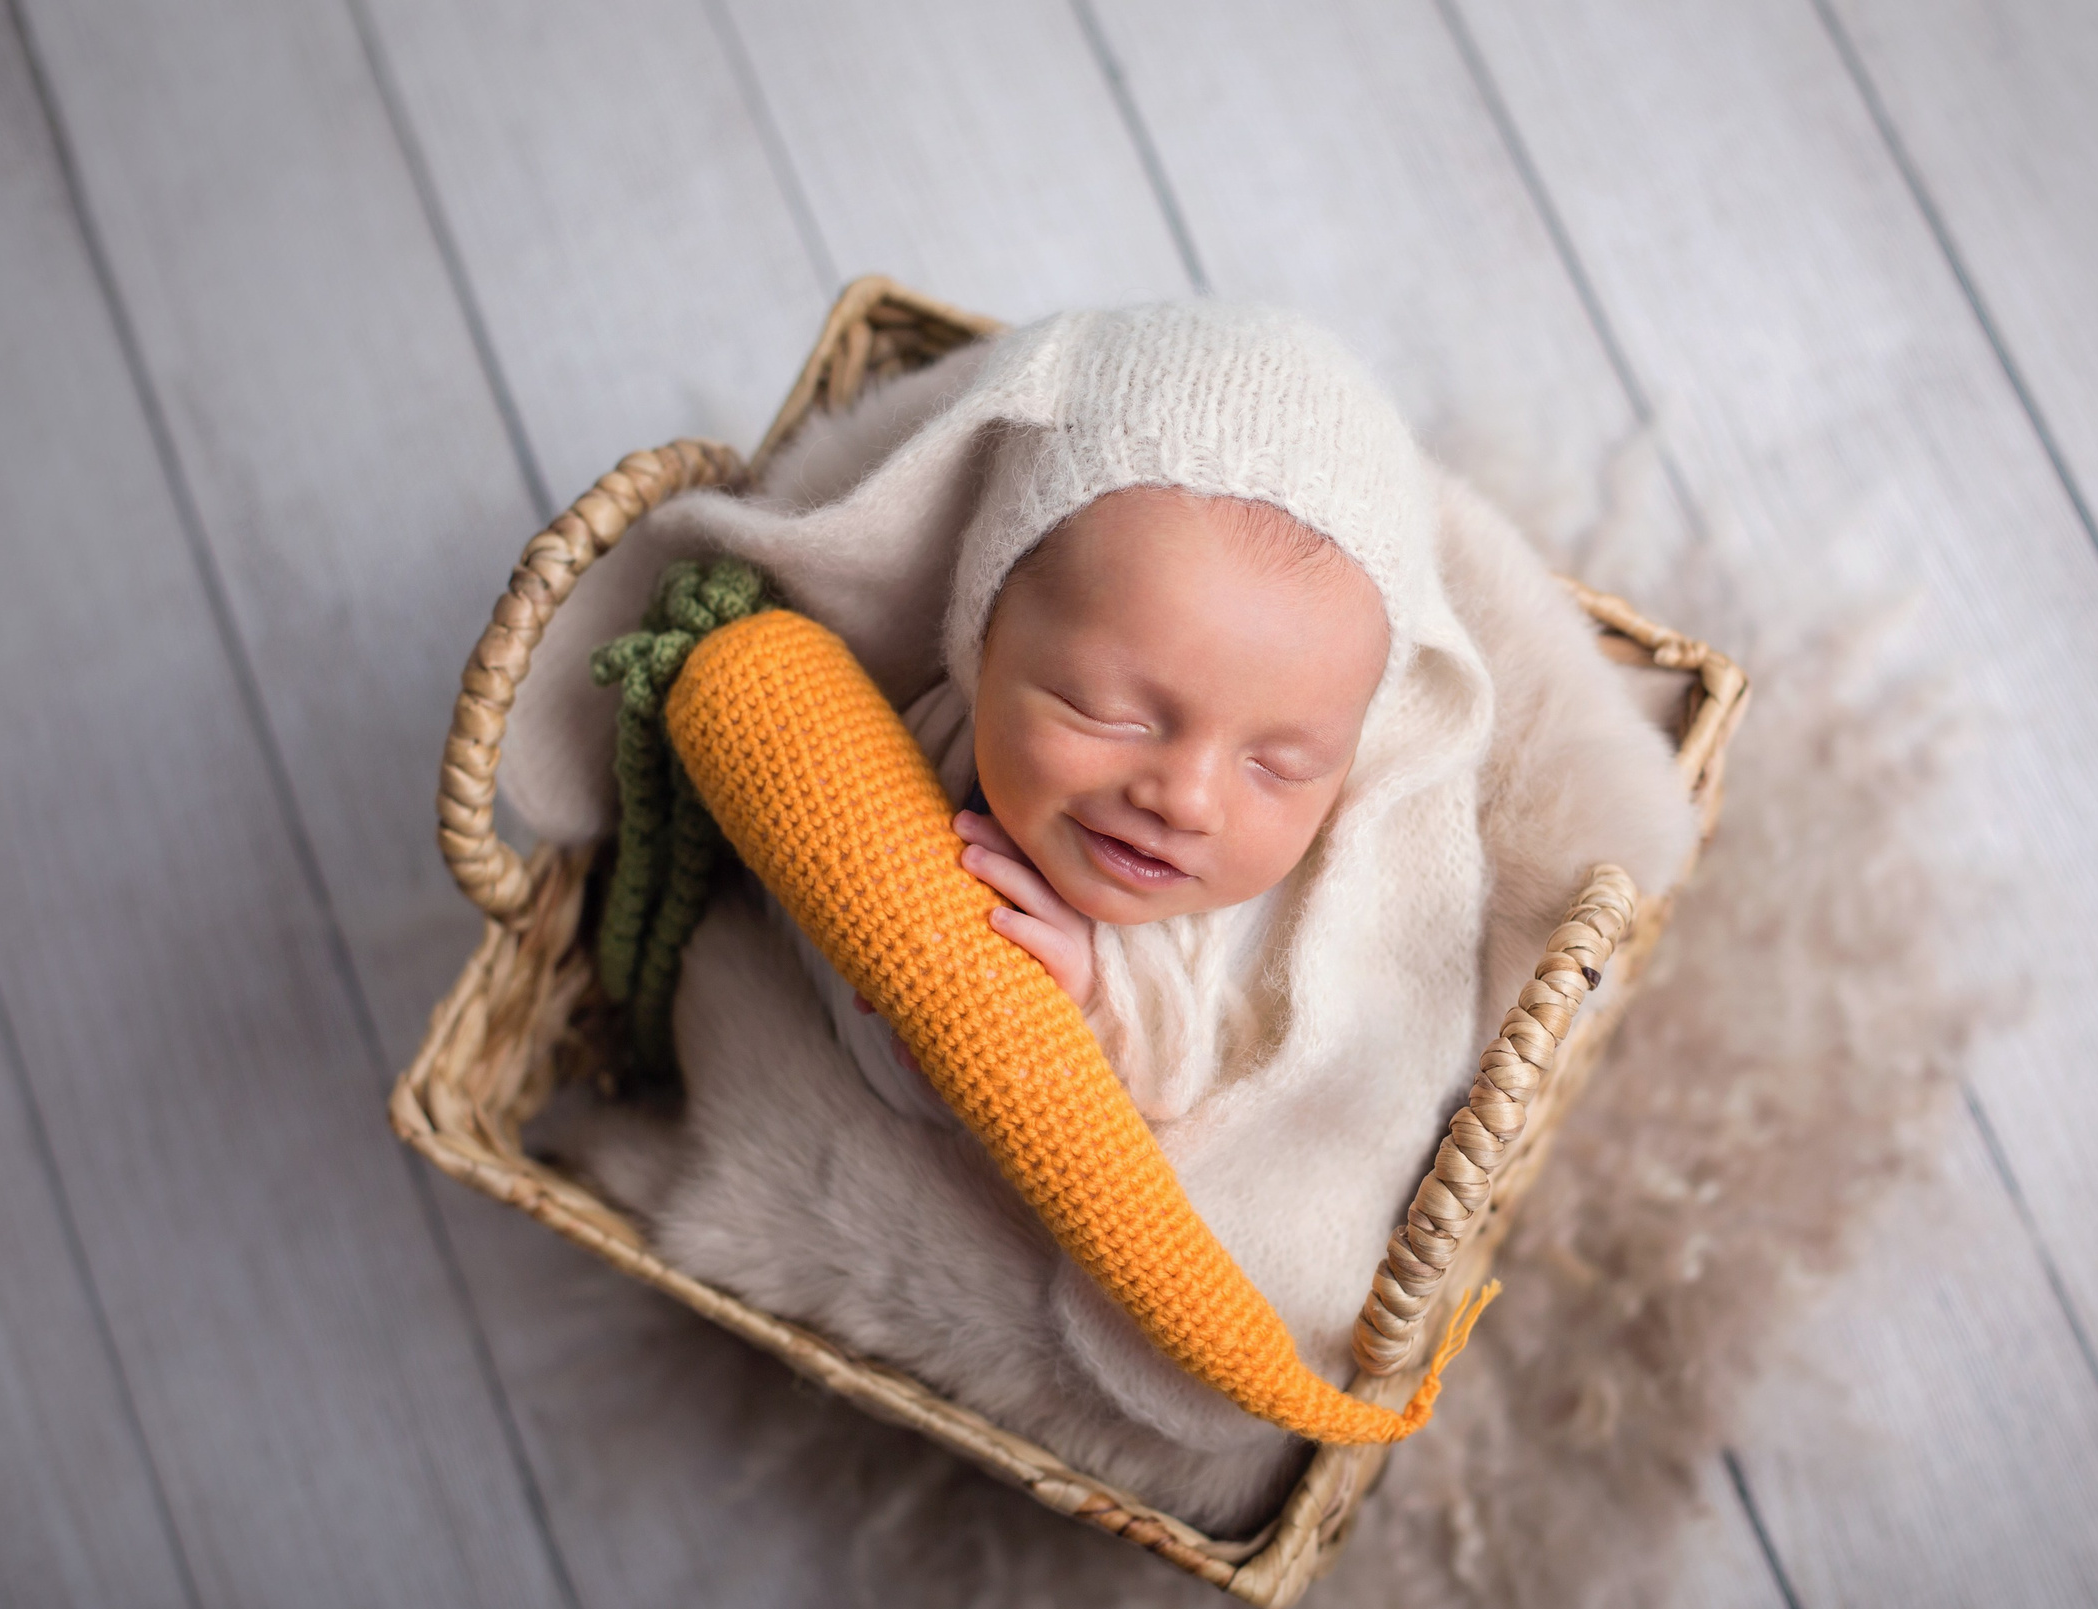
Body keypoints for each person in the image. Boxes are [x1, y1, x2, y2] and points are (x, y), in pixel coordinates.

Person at [503, 300, 1697, 1531]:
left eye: (1279, 764)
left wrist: (1090, 1010)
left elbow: (1215, 1071)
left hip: (1142, 1157)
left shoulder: (1279, 907)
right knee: (744, 1016)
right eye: (1105, 709)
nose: (1178, 794)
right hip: (933, 1144)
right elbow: (818, 930)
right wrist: (912, 1011)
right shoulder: (918, 756)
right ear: (981, 635)